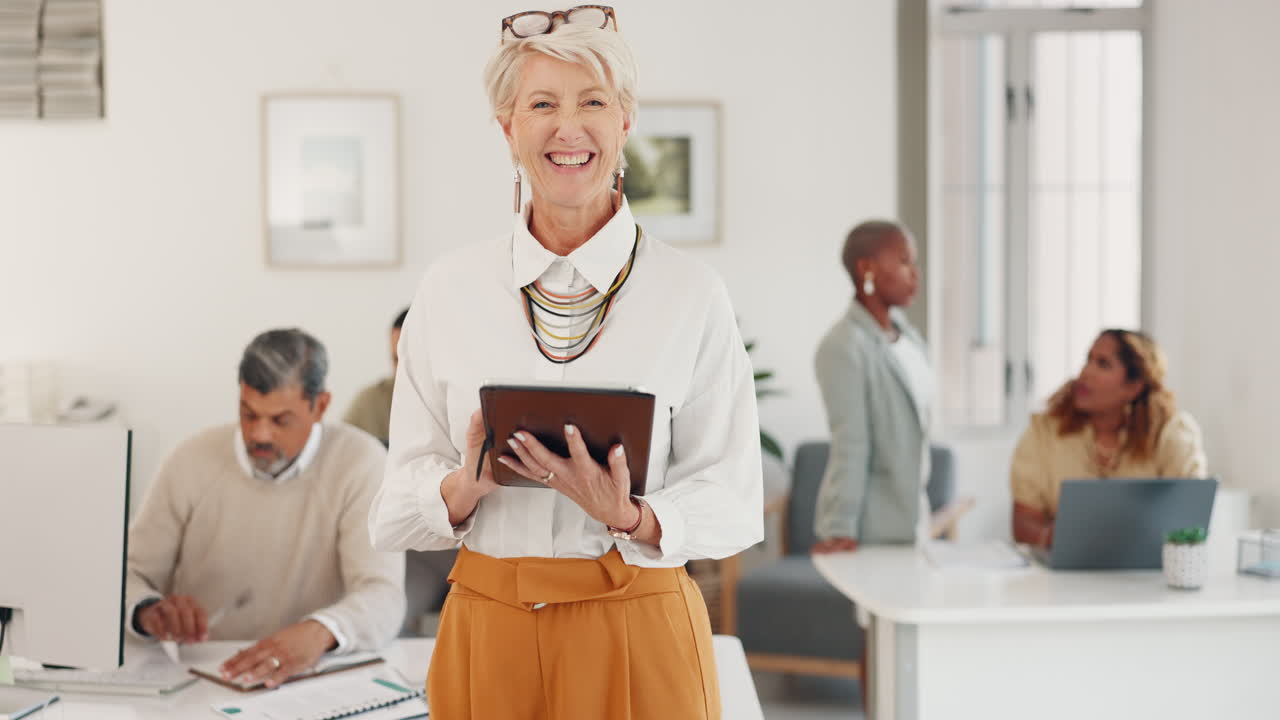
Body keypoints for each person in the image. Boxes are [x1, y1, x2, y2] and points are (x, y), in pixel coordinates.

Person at [369, 10, 763, 719]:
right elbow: (395, 502)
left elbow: (734, 495)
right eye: (542, 104)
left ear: (626, 121)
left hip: (636, 626)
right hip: (488, 633)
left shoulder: (692, 293)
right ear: (507, 127)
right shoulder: (449, 288)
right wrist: (464, 485)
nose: (568, 128)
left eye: (592, 102)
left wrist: (634, 516)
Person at [126, 329, 405, 689]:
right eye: (248, 414)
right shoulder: (190, 459)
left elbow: (383, 595)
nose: (259, 434)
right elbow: (128, 575)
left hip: (311, 679)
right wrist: (147, 610)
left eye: (280, 420)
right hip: (203, 676)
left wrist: (321, 631)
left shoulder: (361, 462)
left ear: (320, 406)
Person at [1010, 329, 1208, 547]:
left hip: (1148, 572)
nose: (1085, 373)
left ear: (1134, 387)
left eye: (1103, 364)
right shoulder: (1044, 432)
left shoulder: (1171, 433)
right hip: (1063, 573)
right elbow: (1023, 521)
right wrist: (1051, 538)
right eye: (1088, 360)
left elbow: (1189, 518)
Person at [811, 220, 933, 554]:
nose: (915, 274)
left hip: (912, 520)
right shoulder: (842, 346)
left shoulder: (909, 337)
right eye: (905, 261)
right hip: (870, 529)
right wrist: (840, 525)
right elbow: (850, 442)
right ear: (866, 268)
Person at [344, 307, 409, 446]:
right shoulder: (370, 401)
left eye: (411, 361)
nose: (402, 371)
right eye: (396, 360)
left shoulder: (455, 405)